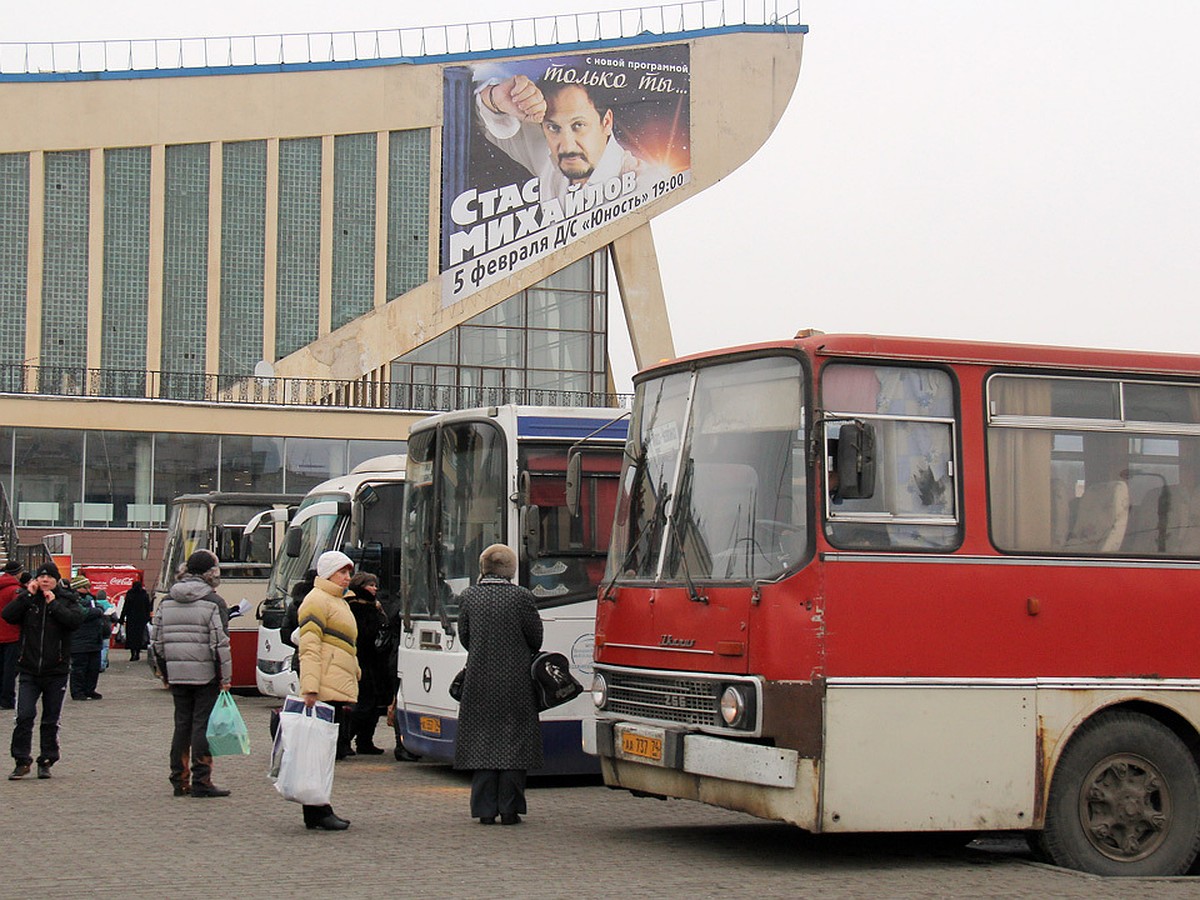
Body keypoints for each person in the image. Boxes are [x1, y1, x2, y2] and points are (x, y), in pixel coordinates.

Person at [453, 544, 544, 825]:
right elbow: (535, 637)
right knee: (514, 743)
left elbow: (465, 637)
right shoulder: (521, 597)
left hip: (479, 679)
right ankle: (510, 808)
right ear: (510, 570)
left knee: (481, 742)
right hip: (516, 681)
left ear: (483, 568)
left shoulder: (469, 597)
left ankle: (483, 809)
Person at [477, 75, 668, 207]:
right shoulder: (547, 157)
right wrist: (494, 98)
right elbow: (478, 119)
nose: (567, 146)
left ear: (606, 122)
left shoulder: (645, 185)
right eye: (553, 127)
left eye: (578, 125)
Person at [151, 549, 232, 798]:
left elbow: (156, 642)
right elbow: (220, 644)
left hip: (176, 673)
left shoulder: (167, 601)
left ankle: (179, 778)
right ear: (210, 573)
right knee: (201, 726)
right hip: (205, 673)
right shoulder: (213, 602)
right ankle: (202, 780)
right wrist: (225, 678)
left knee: (181, 725)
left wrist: (164, 672)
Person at [2, 561, 83, 779]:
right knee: (24, 715)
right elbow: (8, 615)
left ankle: (46, 759)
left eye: (49, 577)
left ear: (56, 580)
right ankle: (21, 760)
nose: (45, 580)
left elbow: (75, 621)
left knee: (50, 719)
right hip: (29, 668)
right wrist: (27, 596)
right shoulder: (28, 600)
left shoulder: (67, 599)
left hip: (56, 670)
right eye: (41, 576)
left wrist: (54, 604)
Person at [296, 550, 359, 831]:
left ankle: (318, 809)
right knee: (319, 751)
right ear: (328, 573)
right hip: (324, 686)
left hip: (335, 683)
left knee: (324, 749)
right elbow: (309, 647)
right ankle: (318, 809)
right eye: (342, 572)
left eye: (349, 572)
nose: (347, 578)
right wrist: (310, 687)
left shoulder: (337, 600)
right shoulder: (317, 600)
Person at [346, 572, 387, 756]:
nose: (375, 588)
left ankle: (365, 740)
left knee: (374, 704)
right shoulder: (355, 607)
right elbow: (364, 634)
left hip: (374, 661)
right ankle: (347, 738)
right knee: (363, 704)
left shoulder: (375, 606)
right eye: (371, 585)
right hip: (361, 661)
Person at [68, 575, 106, 701]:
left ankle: (90, 690)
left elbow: (99, 609)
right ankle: (77, 691)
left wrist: (97, 610)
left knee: (93, 668)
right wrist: (97, 611)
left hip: (94, 639)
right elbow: (82, 613)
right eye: (87, 586)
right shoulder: (72, 599)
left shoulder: (92, 599)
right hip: (79, 641)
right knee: (79, 668)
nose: (89, 589)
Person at [0, 561, 22, 709]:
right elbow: (18, 611)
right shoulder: (15, 590)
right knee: (10, 670)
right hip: (12, 634)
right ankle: (7, 699)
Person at [119, 579, 152, 662]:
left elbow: (125, 607)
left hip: (131, 619)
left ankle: (132, 653)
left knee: (131, 636)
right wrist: (148, 618)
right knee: (139, 636)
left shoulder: (130, 594)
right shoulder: (144, 595)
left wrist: (122, 618)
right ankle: (137, 653)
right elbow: (148, 607)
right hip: (141, 619)